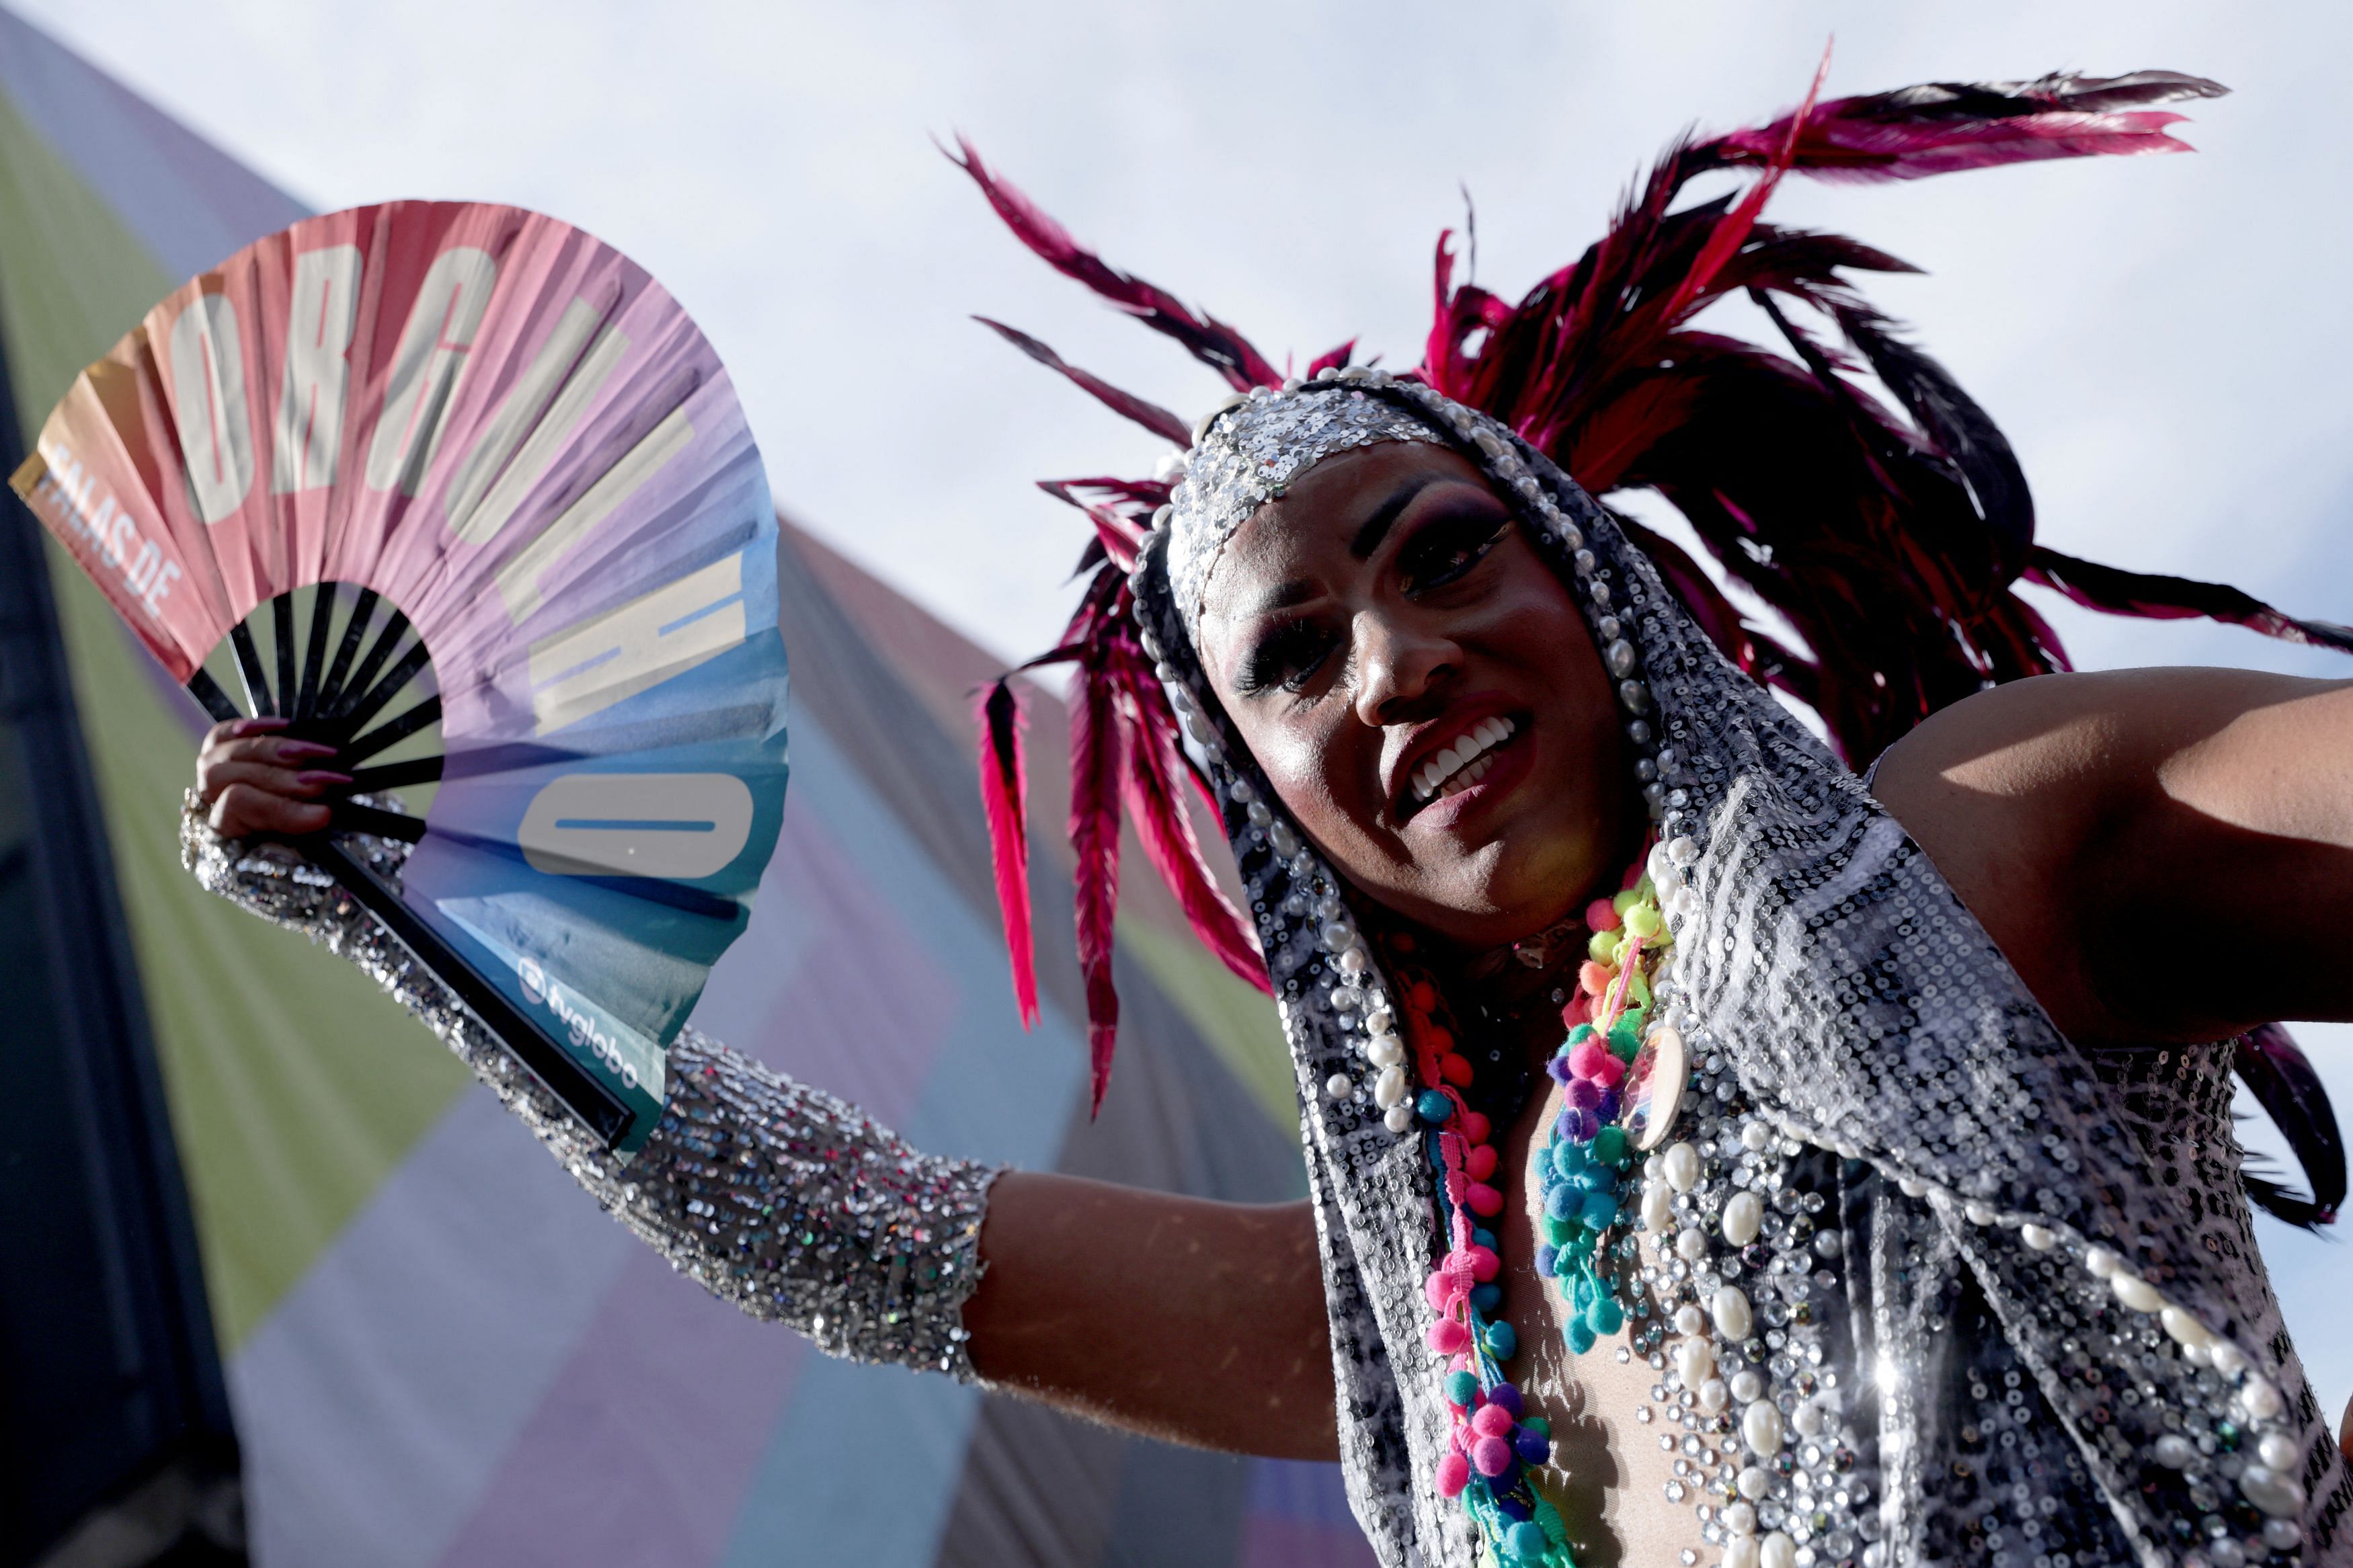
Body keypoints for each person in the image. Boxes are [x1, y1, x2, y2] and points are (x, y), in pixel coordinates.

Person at [186, 69, 2353, 1568]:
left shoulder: (1979, 843)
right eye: (1294, 659)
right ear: (1273, 823)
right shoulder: (1451, 1324)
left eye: (1436, 558)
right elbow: (869, 1242)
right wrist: (417, 910)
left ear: (1595, 586)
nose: (1392, 666)